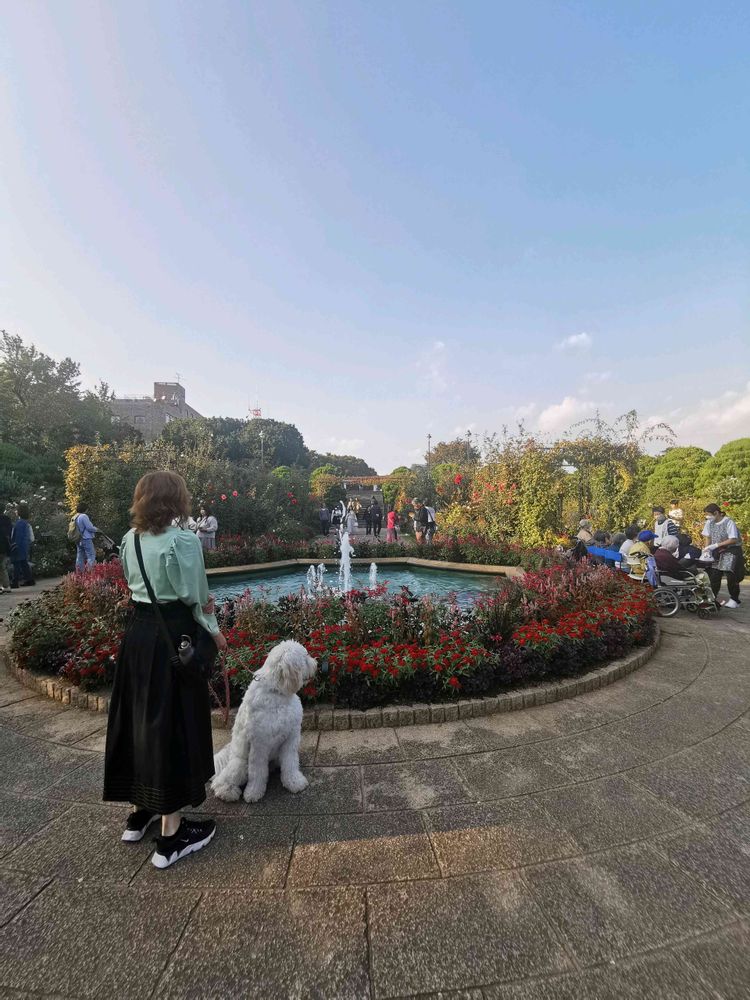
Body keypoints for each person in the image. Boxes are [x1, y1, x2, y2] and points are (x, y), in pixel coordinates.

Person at [103, 470, 227, 869]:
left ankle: (140, 813)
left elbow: (132, 587)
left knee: (140, 718)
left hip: (137, 638)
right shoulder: (183, 541)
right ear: (176, 501)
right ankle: (172, 835)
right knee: (174, 723)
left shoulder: (129, 539)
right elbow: (198, 599)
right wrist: (217, 634)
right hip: (174, 639)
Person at [701, 503, 745, 609]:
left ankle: (735, 599)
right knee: (714, 574)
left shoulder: (728, 522)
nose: (707, 517)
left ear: (716, 513)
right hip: (716, 551)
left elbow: (733, 539)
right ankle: (712, 599)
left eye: (709, 514)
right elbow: (708, 537)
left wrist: (717, 545)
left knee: (730, 574)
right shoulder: (709, 522)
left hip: (731, 550)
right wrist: (707, 549)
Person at [10, 503, 35, 587]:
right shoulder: (25, 522)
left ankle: (15, 581)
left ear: (19, 512)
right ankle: (29, 579)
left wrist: (14, 545)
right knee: (24, 563)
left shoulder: (19, 523)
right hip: (24, 545)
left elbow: (18, 536)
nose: (15, 511)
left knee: (16, 563)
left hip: (19, 546)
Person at [73, 503, 99, 572]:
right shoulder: (84, 516)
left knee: (80, 556)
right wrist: (97, 529)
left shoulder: (75, 516)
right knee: (91, 555)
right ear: (85, 509)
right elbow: (89, 527)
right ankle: (90, 573)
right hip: (86, 538)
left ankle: (79, 573)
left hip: (78, 539)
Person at [0, 508, 13, 594]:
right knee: (2, 567)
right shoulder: (6, 520)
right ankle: (6, 586)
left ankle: (4, 586)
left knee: (1, 567)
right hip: (4, 548)